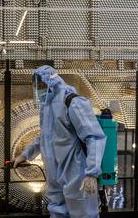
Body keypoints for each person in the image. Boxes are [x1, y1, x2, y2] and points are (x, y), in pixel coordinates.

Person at [13, 65, 106, 218]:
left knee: (83, 213)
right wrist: (25, 155)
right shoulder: (47, 106)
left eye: (42, 84)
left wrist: (92, 172)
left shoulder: (72, 102)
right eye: (37, 85)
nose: (39, 89)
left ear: (51, 82)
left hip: (76, 172)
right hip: (54, 172)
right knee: (56, 210)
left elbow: (94, 137)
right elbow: (44, 137)